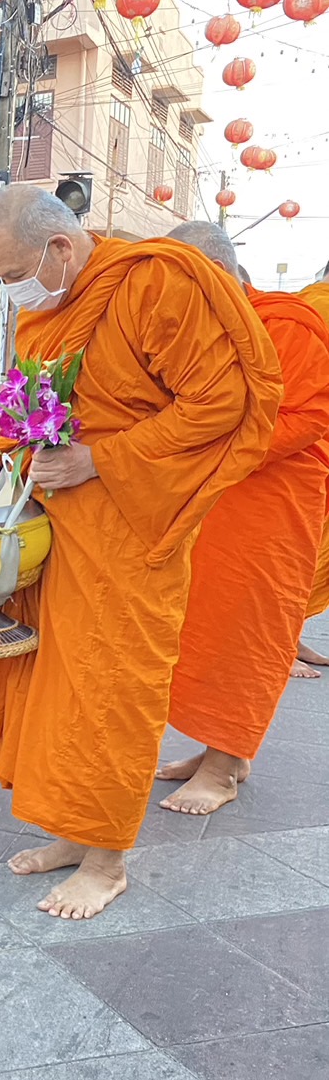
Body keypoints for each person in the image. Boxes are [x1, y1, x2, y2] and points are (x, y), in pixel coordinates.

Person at [0, 184, 281, 919]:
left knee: (109, 689)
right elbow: (38, 411)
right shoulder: (47, 308)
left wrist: (100, 459)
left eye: (13, 274)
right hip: (54, 527)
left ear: (59, 248)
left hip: (130, 530)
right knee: (53, 685)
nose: (12, 291)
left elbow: (218, 403)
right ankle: (73, 832)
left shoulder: (153, 283)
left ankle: (107, 860)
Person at [155, 224, 329, 812]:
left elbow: (306, 418)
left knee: (248, 628)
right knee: (204, 626)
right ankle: (221, 751)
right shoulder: (199, 329)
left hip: (271, 499)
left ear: (221, 274)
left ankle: (224, 769)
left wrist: (212, 443)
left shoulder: (287, 325)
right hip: (209, 498)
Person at [296, 265, 329, 677]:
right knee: (300, 554)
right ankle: (277, 641)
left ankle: (293, 632)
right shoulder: (312, 308)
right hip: (309, 447)